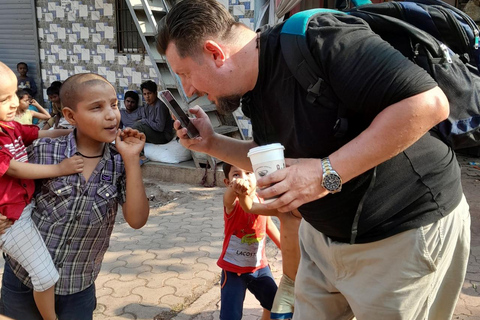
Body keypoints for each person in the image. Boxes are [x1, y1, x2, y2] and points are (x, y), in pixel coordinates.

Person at [157, 1, 471, 319]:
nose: (189, 89)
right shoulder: (252, 85)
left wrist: (324, 173)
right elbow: (278, 157)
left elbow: (428, 104)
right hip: (322, 241)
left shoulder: (319, 40)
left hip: (402, 236)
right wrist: (210, 143)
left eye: (185, 74)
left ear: (215, 53)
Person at [1, 72, 150, 320]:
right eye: (96, 108)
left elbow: (136, 220)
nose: (111, 114)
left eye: (114, 105)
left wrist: (132, 159)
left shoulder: (120, 163)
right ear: (70, 116)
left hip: (77, 287)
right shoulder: (44, 152)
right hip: (23, 281)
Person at [0, 61, 83, 320]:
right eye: (4, 99)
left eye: (14, 95)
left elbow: (39, 134)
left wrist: (71, 132)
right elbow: (15, 170)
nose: (14, 103)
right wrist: (61, 168)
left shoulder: (10, 127)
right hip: (11, 219)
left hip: (23, 208)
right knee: (45, 276)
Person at [219, 162, 281, 320]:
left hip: (259, 268)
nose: (243, 178)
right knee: (230, 315)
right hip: (233, 270)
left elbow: (268, 224)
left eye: (248, 173)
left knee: (275, 304)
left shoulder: (261, 199)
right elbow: (227, 199)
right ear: (227, 182)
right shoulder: (233, 204)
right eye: (236, 174)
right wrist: (234, 190)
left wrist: (284, 246)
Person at [131, 80, 174, 144]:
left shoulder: (160, 106)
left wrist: (145, 121)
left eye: (149, 93)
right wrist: (144, 121)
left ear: (155, 93)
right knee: (134, 127)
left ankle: (139, 151)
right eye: (145, 94)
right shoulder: (147, 105)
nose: (147, 97)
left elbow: (160, 128)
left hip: (163, 136)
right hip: (154, 131)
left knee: (138, 126)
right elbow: (145, 121)